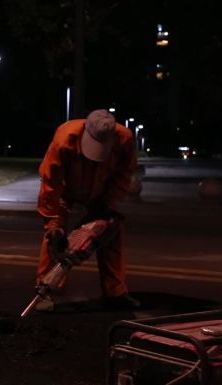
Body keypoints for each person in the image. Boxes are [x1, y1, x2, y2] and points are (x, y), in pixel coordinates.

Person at [35, 109, 140, 311]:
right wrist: (53, 223)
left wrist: (107, 207)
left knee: (112, 233)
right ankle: (46, 291)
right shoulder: (65, 138)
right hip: (66, 190)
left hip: (101, 193)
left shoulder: (124, 140)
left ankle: (115, 293)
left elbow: (123, 176)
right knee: (55, 239)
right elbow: (51, 184)